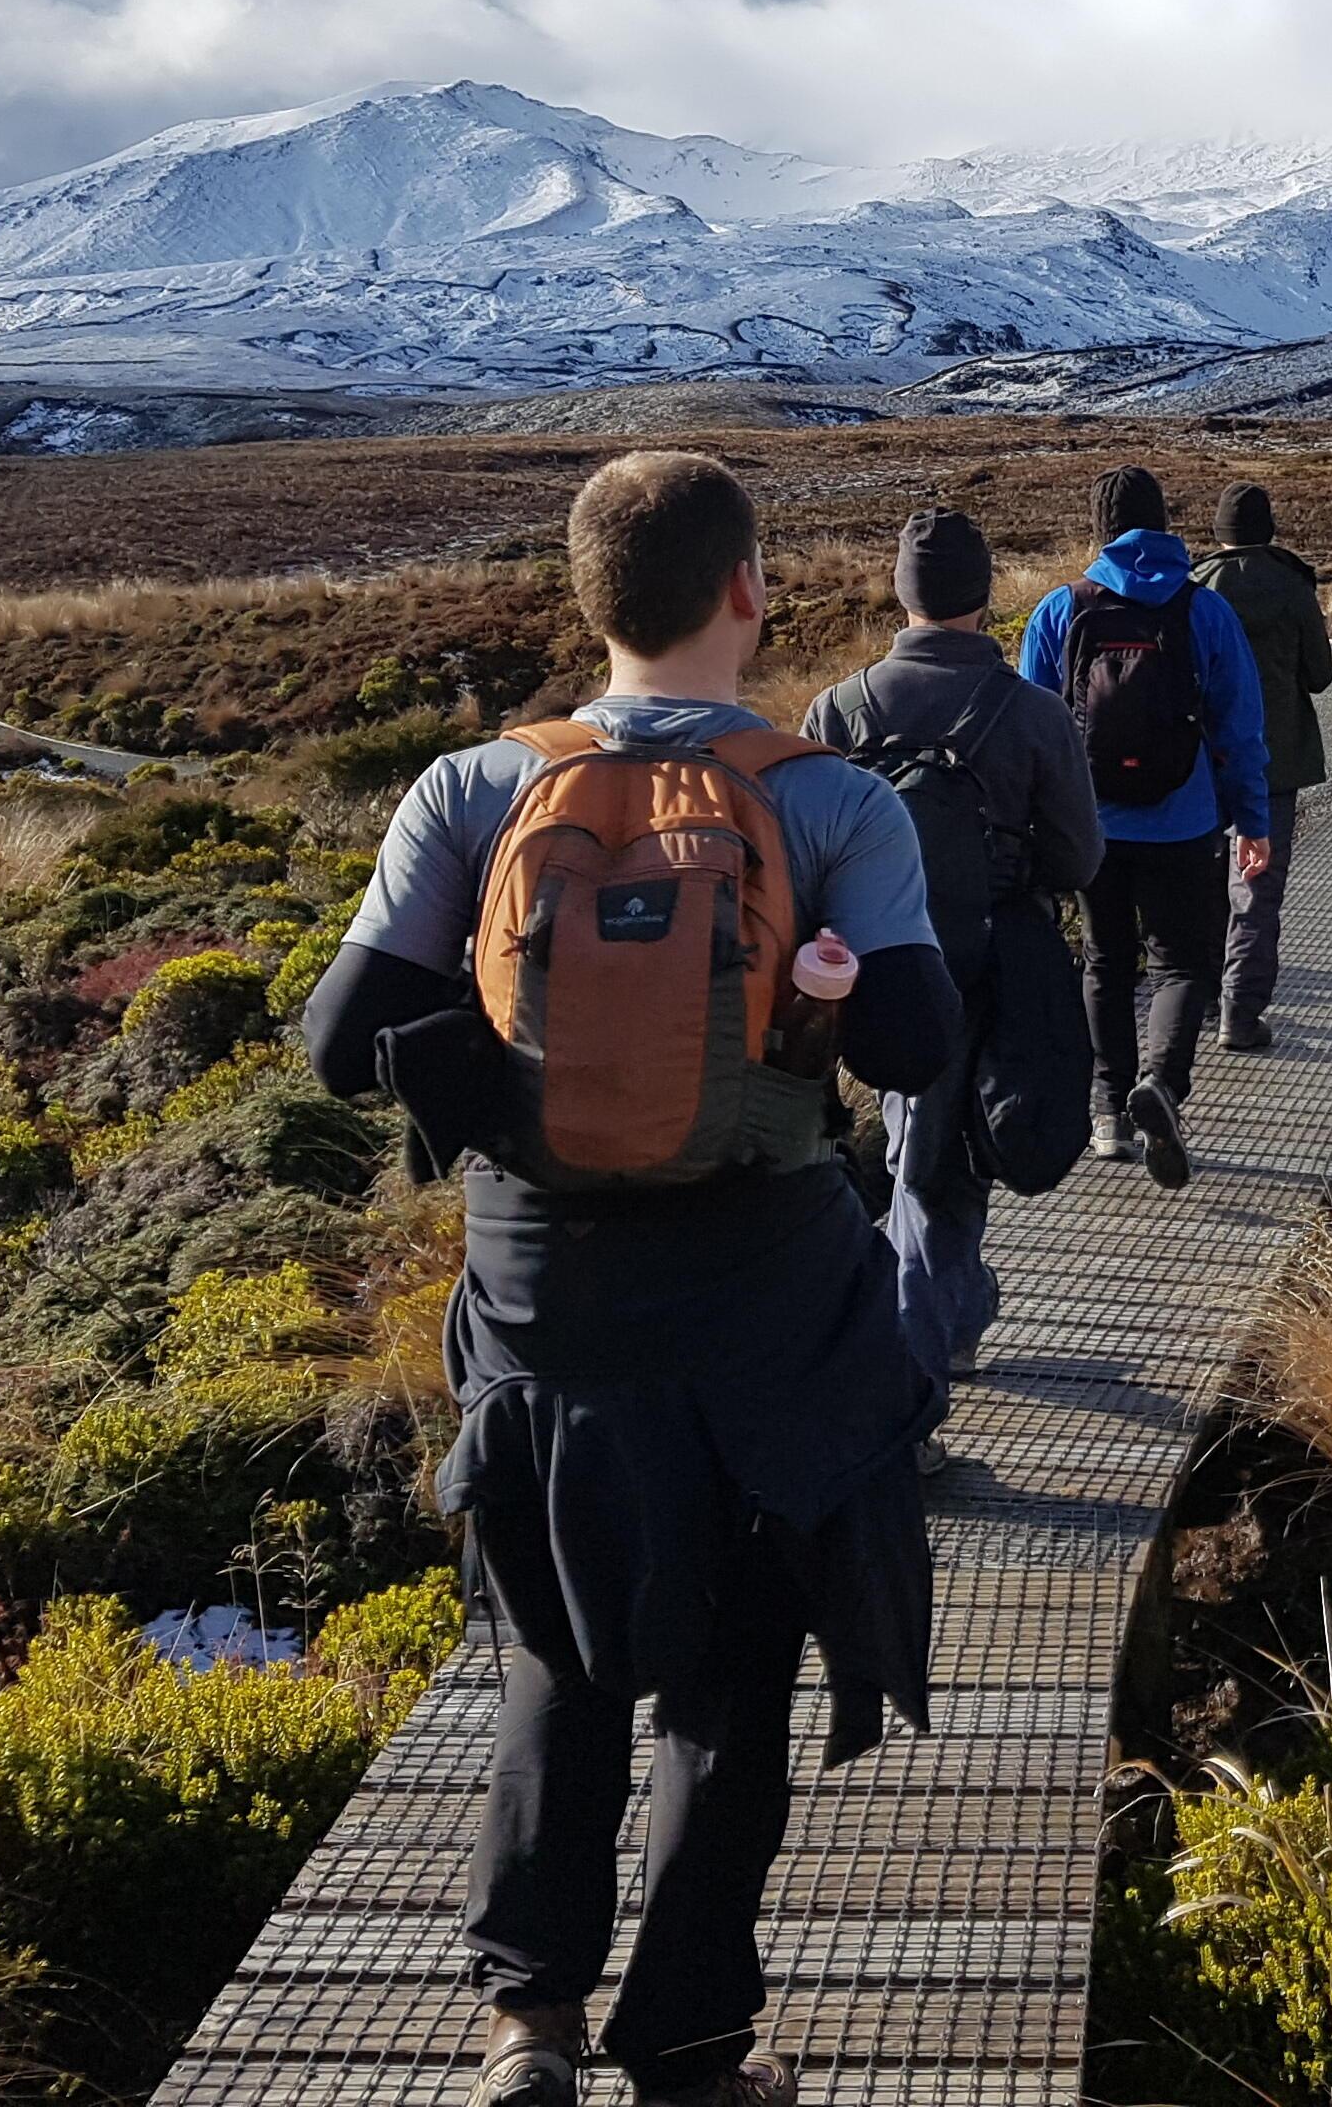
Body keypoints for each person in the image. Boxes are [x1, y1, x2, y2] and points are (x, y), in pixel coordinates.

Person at [298, 451, 960, 2107]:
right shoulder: (829, 797)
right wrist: (809, 991)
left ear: (589, 598)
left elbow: (331, 1043)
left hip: (542, 1295)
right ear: (748, 588)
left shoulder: (471, 790)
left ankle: (526, 2024)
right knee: (732, 1680)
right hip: (762, 1292)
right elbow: (920, 1040)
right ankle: (687, 2050)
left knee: (552, 1650)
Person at [801, 504, 1103, 1409]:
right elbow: (1081, 857)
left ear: (904, 594)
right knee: (937, 1166)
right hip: (992, 959)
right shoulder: (1033, 713)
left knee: (919, 1145)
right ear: (985, 592)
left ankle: (953, 1316)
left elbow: (808, 861)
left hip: (873, 967)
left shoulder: (836, 708)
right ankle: (923, 1377)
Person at [1016, 465, 1272, 1189]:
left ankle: (1106, 1114)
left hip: (1091, 824)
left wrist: (1041, 824)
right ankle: (1163, 1084)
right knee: (1183, 964)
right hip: (1185, 819)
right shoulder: (1204, 610)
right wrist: (1251, 818)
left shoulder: (1060, 610)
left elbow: (1034, 727)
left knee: (1105, 961)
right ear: (1163, 523)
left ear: (1100, 528)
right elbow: (1240, 726)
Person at [1195, 481, 1332, 1054]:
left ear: (1219, 532)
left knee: (1204, 885)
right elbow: (1320, 674)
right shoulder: (1291, 584)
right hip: (1273, 765)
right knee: (1256, 888)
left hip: (1200, 765)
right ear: (1268, 528)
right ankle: (1240, 1012)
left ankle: (1198, 997)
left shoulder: (1195, 588)